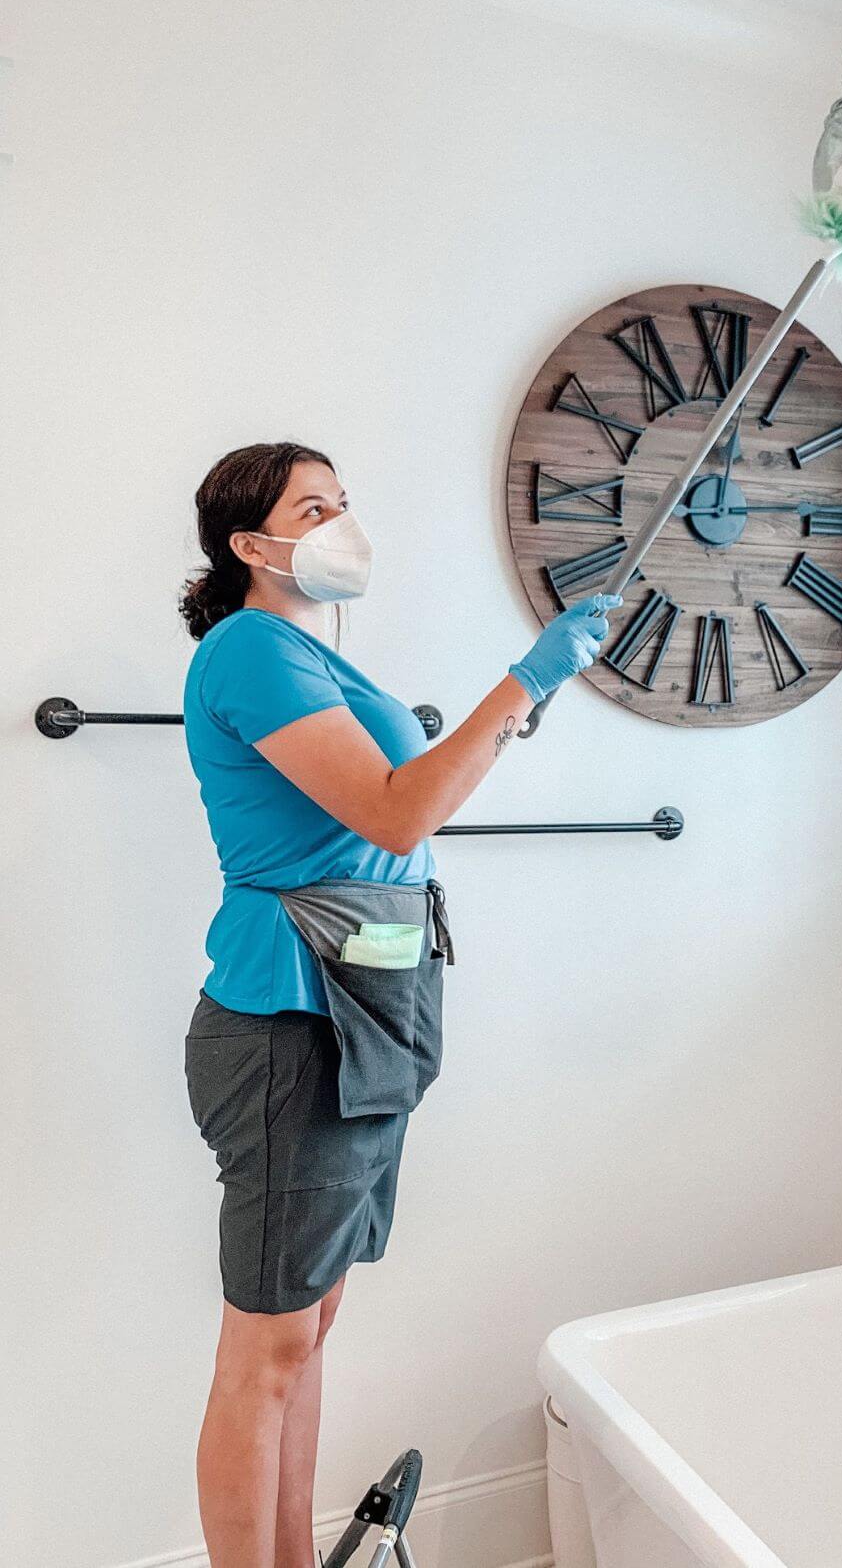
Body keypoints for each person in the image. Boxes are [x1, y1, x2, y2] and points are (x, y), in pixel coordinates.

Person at [178, 439, 621, 1568]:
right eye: (311, 505)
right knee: (265, 1347)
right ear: (249, 544)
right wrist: (527, 677)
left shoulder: (319, 658)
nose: (340, 521)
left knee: (309, 1326)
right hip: (293, 1021)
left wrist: (521, 702)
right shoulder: (248, 649)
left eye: (343, 500)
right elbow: (394, 812)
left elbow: (403, 807)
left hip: (365, 1005)